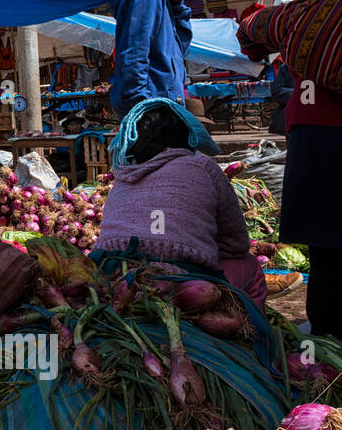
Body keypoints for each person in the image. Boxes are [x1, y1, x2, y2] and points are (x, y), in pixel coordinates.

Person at [239, 0, 342, 342]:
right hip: (332, 138)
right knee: (333, 250)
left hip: (315, 139)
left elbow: (251, 29)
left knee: (328, 252)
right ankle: (333, 339)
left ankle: (329, 339)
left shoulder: (318, 3)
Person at [95, 98, 267, 310]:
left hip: (107, 272)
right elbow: (237, 243)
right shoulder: (204, 167)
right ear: (187, 139)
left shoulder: (123, 174)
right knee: (250, 266)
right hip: (176, 278)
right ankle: (251, 337)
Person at [108, 0, 208, 119]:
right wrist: (141, 105)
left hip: (164, 105)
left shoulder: (168, 3)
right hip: (151, 108)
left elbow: (180, 49)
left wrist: (178, 4)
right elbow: (135, 52)